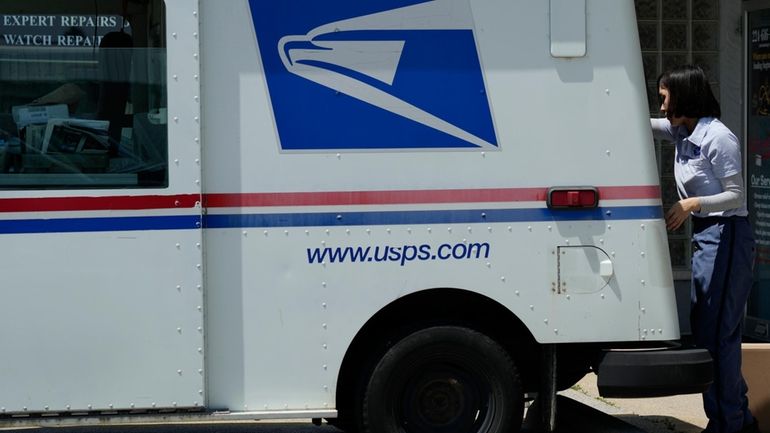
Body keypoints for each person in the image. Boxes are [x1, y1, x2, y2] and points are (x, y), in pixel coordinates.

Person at [652, 65, 759, 433]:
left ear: (682, 96)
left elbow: (736, 195)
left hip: (727, 234)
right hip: (707, 235)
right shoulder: (682, 130)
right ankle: (736, 418)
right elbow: (637, 121)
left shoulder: (717, 137)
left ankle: (729, 423)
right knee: (707, 331)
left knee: (719, 335)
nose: (661, 105)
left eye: (665, 96)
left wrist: (691, 204)